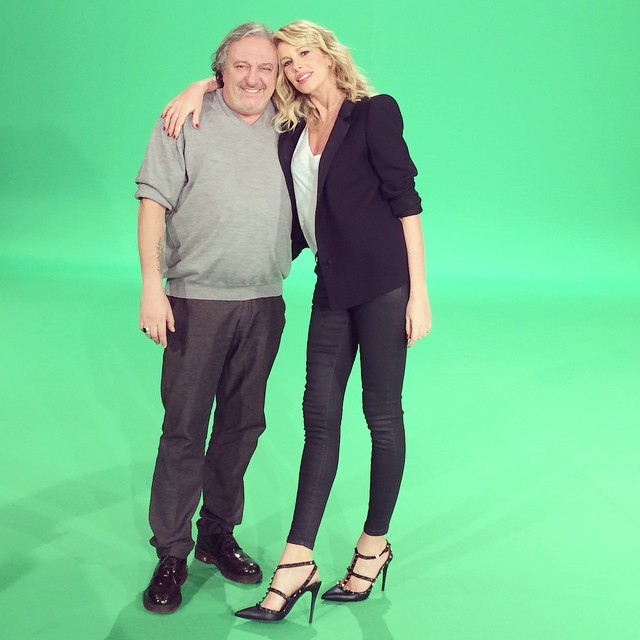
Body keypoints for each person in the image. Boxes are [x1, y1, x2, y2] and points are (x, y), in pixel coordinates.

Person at [162, 19, 431, 623]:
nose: (294, 68)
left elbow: (406, 202)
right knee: (319, 421)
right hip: (332, 289)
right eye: (285, 62)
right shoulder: (291, 129)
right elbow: (241, 83)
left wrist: (419, 294)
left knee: (382, 418)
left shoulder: (375, 112)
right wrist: (197, 86)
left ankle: (372, 546)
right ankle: (298, 560)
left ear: (329, 54)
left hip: (385, 289)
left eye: (303, 54)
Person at [135, 22, 292, 614]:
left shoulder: (290, 123)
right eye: (240, 66)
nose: (253, 77)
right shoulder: (184, 120)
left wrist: (199, 82)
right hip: (194, 301)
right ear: (221, 69)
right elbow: (153, 203)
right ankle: (171, 552)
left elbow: (340, 99)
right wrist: (152, 287)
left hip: (264, 300)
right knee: (184, 428)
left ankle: (216, 534)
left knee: (242, 426)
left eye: (266, 67)